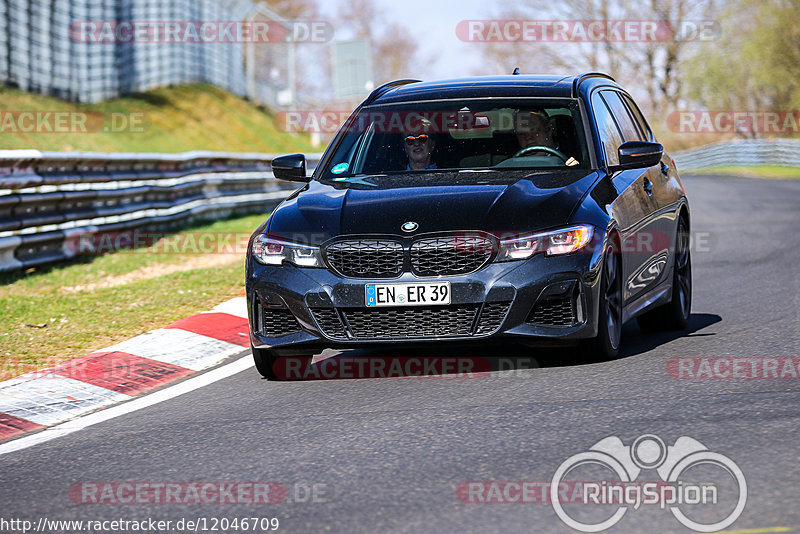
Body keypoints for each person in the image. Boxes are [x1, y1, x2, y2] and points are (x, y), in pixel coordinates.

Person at [514, 110, 579, 166]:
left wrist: (574, 168)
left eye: (533, 130)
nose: (528, 137)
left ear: (548, 129)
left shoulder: (574, 157)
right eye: (521, 133)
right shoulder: (512, 165)